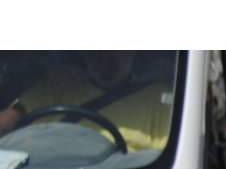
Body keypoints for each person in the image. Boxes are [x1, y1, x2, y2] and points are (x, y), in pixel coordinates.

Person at [0, 51, 172, 152]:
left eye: (115, 48)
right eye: (96, 49)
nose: (105, 55)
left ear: (133, 52)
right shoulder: (58, 83)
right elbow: (11, 117)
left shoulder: (159, 97)